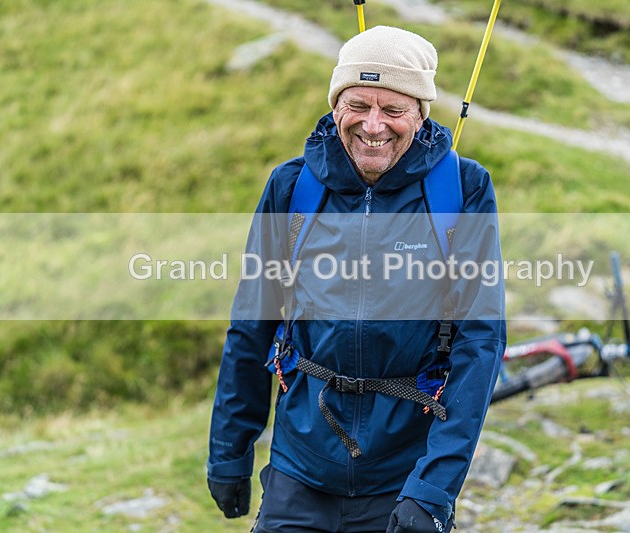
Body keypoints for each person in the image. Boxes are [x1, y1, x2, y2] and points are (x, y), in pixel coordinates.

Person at [207, 26, 506, 533]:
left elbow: (481, 340)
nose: (373, 125)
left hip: (404, 475)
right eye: (358, 105)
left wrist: (434, 488)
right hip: (298, 469)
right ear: (334, 106)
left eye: (393, 110)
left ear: (420, 113)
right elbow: (252, 323)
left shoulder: (464, 189)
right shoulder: (291, 187)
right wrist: (229, 451)